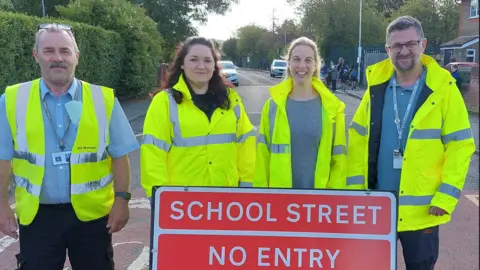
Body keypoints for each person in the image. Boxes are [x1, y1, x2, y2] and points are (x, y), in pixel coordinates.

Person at [0, 23, 139, 269]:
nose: (57, 58)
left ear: (76, 56)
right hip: (38, 216)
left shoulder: (103, 99)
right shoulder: (12, 99)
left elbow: (119, 156)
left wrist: (122, 200)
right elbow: (2, 158)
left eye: (65, 51)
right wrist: (1, 205)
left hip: (93, 217)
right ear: (36, 55)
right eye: (49, 51)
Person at [346, 16, 475, 270]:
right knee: (372, 265)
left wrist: (446, 197)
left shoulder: (444, 89)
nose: (404, 51)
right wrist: (355, 194)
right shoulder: (376, 87)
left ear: (423, 45)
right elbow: (358, 140)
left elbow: (461, 145)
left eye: (410, 43)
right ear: (388, 50)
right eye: (396, 46)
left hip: (423, 212)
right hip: (377, 206)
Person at [140, 37, 256, 200]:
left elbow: (246, 148)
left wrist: (247, 190)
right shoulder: (165, 102)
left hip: (227, 201)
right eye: (194, 59)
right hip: (182, 203)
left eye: (207, 60)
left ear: (214, 66)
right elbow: (153, 156)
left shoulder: (231, 100)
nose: (201, 66)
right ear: (182, 64)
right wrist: (161, 200)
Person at [254, 37, 347, 189]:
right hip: (280, 202)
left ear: (316, 64)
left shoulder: (332, 108)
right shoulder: (272, 107)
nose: (302, 65)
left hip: (320, 204)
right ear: (289, 63)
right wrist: (262, 199)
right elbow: (262, 159)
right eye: (296, 59)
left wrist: (334, 200)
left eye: (308, 60)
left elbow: (339, 161)